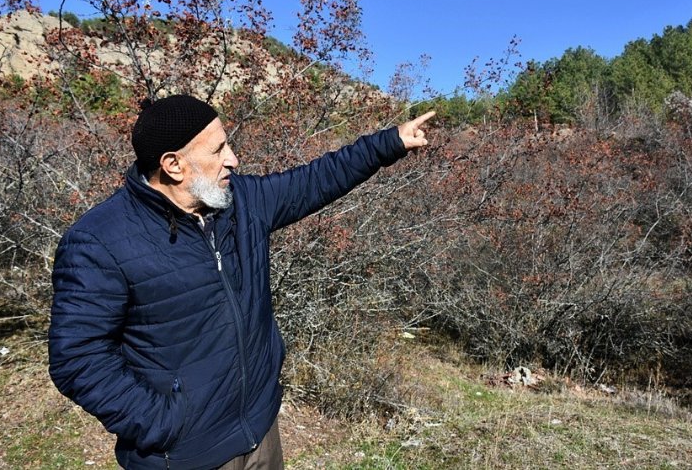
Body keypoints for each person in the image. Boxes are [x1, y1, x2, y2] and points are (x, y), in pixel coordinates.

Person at [48, 94, 434, 469]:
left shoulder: (240, 202)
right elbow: (78, 358)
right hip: (185, 455)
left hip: (260, 429)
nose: (232, 159)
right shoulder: (100, 241)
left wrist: (391, 142)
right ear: (173, 165)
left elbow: (317, 180)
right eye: (217, 150)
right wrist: (162, 423)